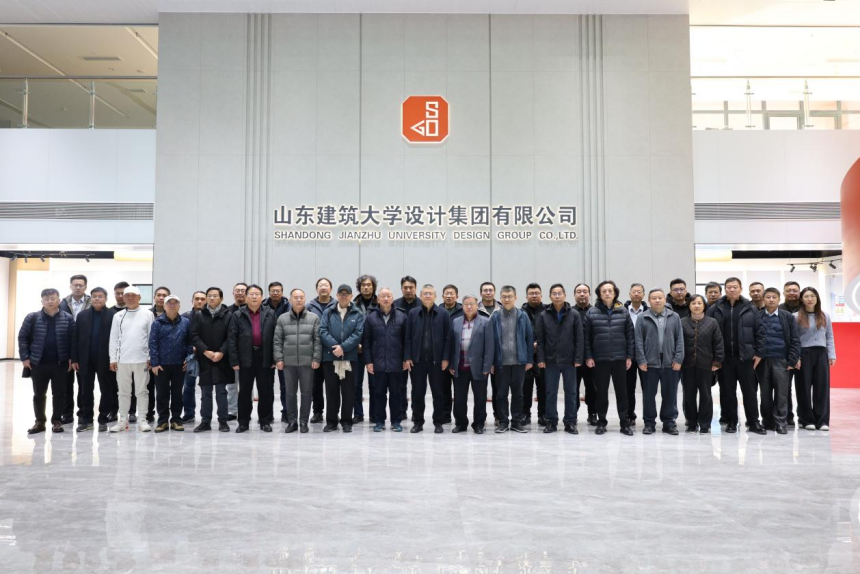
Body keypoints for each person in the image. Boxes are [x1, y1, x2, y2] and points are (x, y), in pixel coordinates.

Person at [706, 277, 766, 435]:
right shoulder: (715, 308)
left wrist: (759, 353)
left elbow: (760, 332)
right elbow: (709, 332)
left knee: (750, 392)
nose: (732, 289)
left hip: (745, 358)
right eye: (729, 287)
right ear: (725, 289)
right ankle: (732, 421)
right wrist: (714, 356)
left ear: (741, 289)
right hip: (724, 358)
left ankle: (753, 422)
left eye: (735, 287)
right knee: (728, 392)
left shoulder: (750, 307)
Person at [18, 288, 75, 435]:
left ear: (59, 300)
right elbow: (23, 337)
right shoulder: (32, 317)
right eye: (47, 299)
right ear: (42, 301)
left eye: (53, 298)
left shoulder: (68, 318)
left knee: (59, 394)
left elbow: (73, 340)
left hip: (61, 363)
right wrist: (25, 357)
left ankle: (57, 421)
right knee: (39, 394)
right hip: (38, 363)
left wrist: (72, 358)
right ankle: (40, 422)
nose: (50, 301)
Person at [584, 281, 633, 436]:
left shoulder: (623, 312)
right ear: (599, 294)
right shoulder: (591, 312)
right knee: (601, 393)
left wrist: (629, 356)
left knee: (622, 393)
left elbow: (630, 336)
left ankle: (624, 423)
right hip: (600, 359)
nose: (607, 293)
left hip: (620, 358)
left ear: (615, 293)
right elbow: (586, 338)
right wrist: (588, 356)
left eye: (610, 291)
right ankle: (601, 422)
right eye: (604, 291)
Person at [535, 283, 583, 435]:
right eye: (554, 294)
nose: (557, 296)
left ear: (565, 295)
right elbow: (540, 340)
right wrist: (541, 358)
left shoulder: (574, 314)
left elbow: (579, 338)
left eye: (559, 293)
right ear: (550, 296)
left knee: (571, 392)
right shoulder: (544, 315)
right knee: (550, 392)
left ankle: (570, 422)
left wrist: (578, 358)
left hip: (570, 360)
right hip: (551, 360)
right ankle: (551, 421)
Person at [634, 288, 684, 436]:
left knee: (670, 394)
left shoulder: (674, 317)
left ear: (665, 299)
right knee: (649, 395)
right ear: (649, 300)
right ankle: (649, 423)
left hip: (670, 362)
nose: (657, 300)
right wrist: (641, 359)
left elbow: (679, 339)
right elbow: (638, 340)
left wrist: (678, 358)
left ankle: (669, 423)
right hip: (649, 362)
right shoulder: (642, 317)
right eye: (654, 298)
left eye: (660, 298)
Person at [228, 284, 276, 433]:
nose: (254, 297)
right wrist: (234, 360)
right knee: (244, 392)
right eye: (251, 294)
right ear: (246, 297)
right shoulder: (238, 314)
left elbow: (276, 337)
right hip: (245, 357)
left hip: (265, 356)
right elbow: (232, 339)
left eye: (257, 294)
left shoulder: (270, 313)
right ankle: (243, 422)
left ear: (262, 297)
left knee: (265, 391)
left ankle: (265, 421)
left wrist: (275, 358)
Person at [405, 284, 452, 433]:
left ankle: (438, 422)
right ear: (420, 296)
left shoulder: (443, 314)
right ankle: (418, 422)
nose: (427, 296)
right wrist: (407, 357)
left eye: (430, 293)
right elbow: (407, 337)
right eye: (425, 293)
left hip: (436, 361)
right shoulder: (413, 313)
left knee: (438, 393)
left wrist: (446, 358)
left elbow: (448, 338)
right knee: (417, 392)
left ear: (435, 296)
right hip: (417, 361)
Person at [274, 288, 321, 434]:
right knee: (290, 393)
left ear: (305, 299)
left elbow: (317, 340)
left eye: (301, 297)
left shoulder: (314, 318)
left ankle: (303, 421)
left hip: (308, 362)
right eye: (295, 297)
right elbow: (277, 341)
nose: (298, 300)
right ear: (290, 300)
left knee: (306, 393)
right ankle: (292, 421)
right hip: (288, 363)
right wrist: (279, 358)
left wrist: (316, 358)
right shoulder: (282, 319)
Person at [108, 285, 154, 433]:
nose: (130, 298)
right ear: (123, 298)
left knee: (142, 391)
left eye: (133, 295)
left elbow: (151, 337)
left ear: (139, 297)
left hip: (142, 360)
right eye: (127, 295)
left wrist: (150, 357)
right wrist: (112, 358)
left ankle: (142, 420)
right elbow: (113, 338)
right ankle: (122, 420)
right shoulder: (118, 316)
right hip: (122, 360)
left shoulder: (147, 314)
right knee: (123, 392)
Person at [320, 284, 365, 433]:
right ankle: (331, 422)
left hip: (349, 358)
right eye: (341, 294)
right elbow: (323, 330)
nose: (344, 296)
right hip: (330, 357)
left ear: (351, 296)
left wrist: (343, 348)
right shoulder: (328, 312)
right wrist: (335, 347)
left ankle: (346, 421)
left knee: (348, 392)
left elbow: (358, 334)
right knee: (331, 391)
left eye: (347, 294)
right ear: (337, 295)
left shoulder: (358, 314)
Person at [755, 287, 801, 434]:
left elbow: (795, 339)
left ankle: (781, 422)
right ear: (763, 299)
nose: (771, 300)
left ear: (779, 299)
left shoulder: (787, 317)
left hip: (781, 360)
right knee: (765, 394)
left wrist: (792, 360)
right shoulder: (757, 316)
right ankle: (767, 421)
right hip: (762, 361)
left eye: (774, 297)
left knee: (782, 394)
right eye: (768, 297)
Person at [363, 287, 408, 432]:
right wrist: (368, 361)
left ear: (393, 298)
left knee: (396, 393)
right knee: (378, 394)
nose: (386, 299)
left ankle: (396, 421)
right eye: (383, 296)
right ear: (378, 299)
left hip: (396, 363)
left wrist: (406, 359)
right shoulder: (371, 318)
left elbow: (407, 341)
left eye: (388, 296)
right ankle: (379, 421)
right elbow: (366, 342)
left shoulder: (402, 317)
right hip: (378, 363)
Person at [70, 287, 116, 432]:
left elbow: (117, 339)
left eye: (100, 296)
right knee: (85, 391)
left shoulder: (113, 315)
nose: (97, 299)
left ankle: (103, 418)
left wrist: (114, 359)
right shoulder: (82, 315)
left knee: (106, 390)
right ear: (90, 299)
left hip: (106, 359)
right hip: (85, 359)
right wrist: (75, 359)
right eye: (94, 296)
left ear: (106, 299)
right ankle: (87, 420)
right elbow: (75, 338)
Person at [490, 285, 533, 434]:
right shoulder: (495, 316)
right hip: (500, 363)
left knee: (518, 393)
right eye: (504, 296)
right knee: (501, 394)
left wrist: (529, 360)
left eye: (510, 296)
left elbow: (529, 338)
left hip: (519, 362)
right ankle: (503, 422)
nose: (507, 299)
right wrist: (491, 362)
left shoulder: (523, 315)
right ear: (500, 298)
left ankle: (516, 422)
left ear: (515, 297)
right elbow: (490, 341)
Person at [448, 295, 494, 434]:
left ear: (476, 305)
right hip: (460, 367)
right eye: (466, 304)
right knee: (459, 398)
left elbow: (489, 346)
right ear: (462, 306)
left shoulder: (485, 321)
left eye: (472, 304)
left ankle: (478, 424)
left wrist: (487, 366)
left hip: (479, 368)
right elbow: (451, 345)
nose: (469, 307)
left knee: (480, 398)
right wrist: (452, 364)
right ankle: (461, 423)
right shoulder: (456, 322)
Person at [190, 287, 234, 433]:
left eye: (215, 296)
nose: (212, 298)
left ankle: (223, 421)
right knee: (205, 392)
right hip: (205, 359)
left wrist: (221, 352)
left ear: (221, 298)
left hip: (222, 359)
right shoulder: (199, 315)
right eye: (209, 296)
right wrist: (205, 351)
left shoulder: (228, 315)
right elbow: (194, 336)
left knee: (222, 392)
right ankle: (205, 421)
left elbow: (231, 337)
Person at [680, 295, 724, 434]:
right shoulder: (682, 322)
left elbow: (718, 343)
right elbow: (678, 343)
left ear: (704, 305)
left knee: (706, 395)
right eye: (693, 303)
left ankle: (705, 424)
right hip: (687, 365)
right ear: (689, 306)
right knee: (689, 395)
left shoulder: (712, 322)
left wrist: (717, 361)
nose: (697, 306)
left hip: (706, 365)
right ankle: (691, 423)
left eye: (699, 303)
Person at [149, 295, 192, 432]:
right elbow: (153, 343)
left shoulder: (186, 322)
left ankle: (176, 420)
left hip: (180, 365)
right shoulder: (157, 323)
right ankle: (162, 421)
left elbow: (190, 342)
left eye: (175, 303)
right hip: (161, 365)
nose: (172, 305)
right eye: (169, 303)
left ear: (179, 305)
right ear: (164, 306)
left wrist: (188, 359)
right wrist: (155, 363)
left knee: (177, 394)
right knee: (162, 394)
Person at [795, 287, 836, 431]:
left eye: (812, 296)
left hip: (821, 354)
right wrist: (796, 357)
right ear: (802, 299)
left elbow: (829, 336)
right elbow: (794, 339)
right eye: (806, 296)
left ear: (817, 298)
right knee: (803, 387)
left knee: (822, 387)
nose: (810, 299)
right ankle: (807, 419)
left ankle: (822, 420)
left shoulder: (825, 315)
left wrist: (831, 355)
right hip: (803, 354)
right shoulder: (796, 316)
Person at [58, 274, 91, 425]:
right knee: (65, 384)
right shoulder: (62, 303)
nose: (78, 287)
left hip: (85, 348)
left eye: (81, 285)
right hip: (65, 348)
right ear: (70, 286)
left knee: (84, 384)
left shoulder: (92, 302)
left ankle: (83, 412)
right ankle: (67, 414)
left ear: (85, 287)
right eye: (75, 285)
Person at [307, 278, 335, 423]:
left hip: (333, 351)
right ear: (317, 288)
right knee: (316, 385)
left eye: (326, 285)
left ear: (331, 288)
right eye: (320, 285)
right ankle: (317, 412)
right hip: (315, 352)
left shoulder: (337, 305)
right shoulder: (309, 306)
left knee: (333, 385)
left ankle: (333, 412)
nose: (323, 287)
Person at [352, 274, 379, 423]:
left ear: (373, 287)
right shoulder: (353, 305)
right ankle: (358, 414)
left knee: (374, 384)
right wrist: (355, 343)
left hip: (374, 351)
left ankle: (374, 414)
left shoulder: (380, 303)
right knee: (356, 384)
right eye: (363, 285)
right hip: (356, 350)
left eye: (369, 285)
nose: (366, 287)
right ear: (359, 287)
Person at [394, 276, 420, 422]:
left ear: (415, 288)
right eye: (405, 287)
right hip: (398, 351)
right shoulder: (395, 304)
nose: (408, 290)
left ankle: (416, 413)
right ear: (401, 289)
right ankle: (401, 411)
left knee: (417, 385)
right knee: (400, 385)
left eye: (411, 287)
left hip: (417, 352)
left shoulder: (422, 304)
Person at [264, 281, 291, 424]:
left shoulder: (289, 307)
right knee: (266, 385)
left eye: (278, 291)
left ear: (282, 292)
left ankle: (286, 412)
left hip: (285, 350)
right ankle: (267, 414)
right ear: (269, 292)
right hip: (266, 350)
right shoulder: (262, 306)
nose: (275, 293)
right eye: (273, 291)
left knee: (285, 385)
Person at [521, 283, 547, 426]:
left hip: (544, 355)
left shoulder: (548, 311)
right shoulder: (520, 312)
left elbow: (551, 332)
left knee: (543, 387)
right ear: (526, 296)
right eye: (531, 293)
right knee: (525, 388)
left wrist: (539, 345)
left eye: (537, 293)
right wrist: (529, 345)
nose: (534, 296)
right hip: (525, 356)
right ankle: (525, 414)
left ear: (541, 295)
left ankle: (543, 415)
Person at [573, 283, 598, 425]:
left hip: (592, 358)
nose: (582, 294)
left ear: (589, 294)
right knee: (573, 388)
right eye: (579, 291)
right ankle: (573, 413)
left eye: (585, 291)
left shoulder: (595, 312)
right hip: (574, 358)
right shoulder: (569, 312)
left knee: (592, 387)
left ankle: (592, 413)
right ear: (574, 295)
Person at [623, 283, 648, 426]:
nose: (637, 294)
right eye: (634, 291)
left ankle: (648, 417)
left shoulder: (649, 311)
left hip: (646, 356)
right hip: (628, 356)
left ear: (643, 294)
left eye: (639, 291)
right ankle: (629, 415)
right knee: (628, 388)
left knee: (647, 389)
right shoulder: (622, 311)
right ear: (630, 294)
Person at [181, 291, 207, 423]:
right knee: (188, 386)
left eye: (202, 299)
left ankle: (205, 415)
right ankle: (189, 414)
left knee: (205, 387)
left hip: (206, 356)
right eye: (197, 299)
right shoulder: (184, 317)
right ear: (192, 301)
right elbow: (181, 338)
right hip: (189, 357)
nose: (200, 301)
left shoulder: (210, 317)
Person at [779, 281, 803, 426]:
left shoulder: (806, 308)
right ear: (784, 293)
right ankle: (788, 416)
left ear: (799, 292)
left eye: (795, 290)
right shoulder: (779, 309)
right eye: (788, 290)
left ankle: (804, 416)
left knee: (803, 387)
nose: (792, 293)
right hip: (784, 355)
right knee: (784, 388)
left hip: (804, 354)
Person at [478, 281, 502, 421]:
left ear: (494, 292)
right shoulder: (475, 308)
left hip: (499, 355)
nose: (488, 292)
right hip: (481, 355)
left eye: (490, 290)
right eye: (485, 290)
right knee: (480, 389)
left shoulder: (502, 308)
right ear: (481, 293)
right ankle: (481, 418)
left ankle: (498, 416)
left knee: (498, 388)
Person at [226, 282, 247, 421]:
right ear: (233, 293)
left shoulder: (252, 310)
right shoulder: (227, 311)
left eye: (243, 290)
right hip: (231, 354)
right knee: (232, 385)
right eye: (237, 290)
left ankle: (246, 410)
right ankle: (232, 411)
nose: (240, 293)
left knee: (246, 386)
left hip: (247, 354)